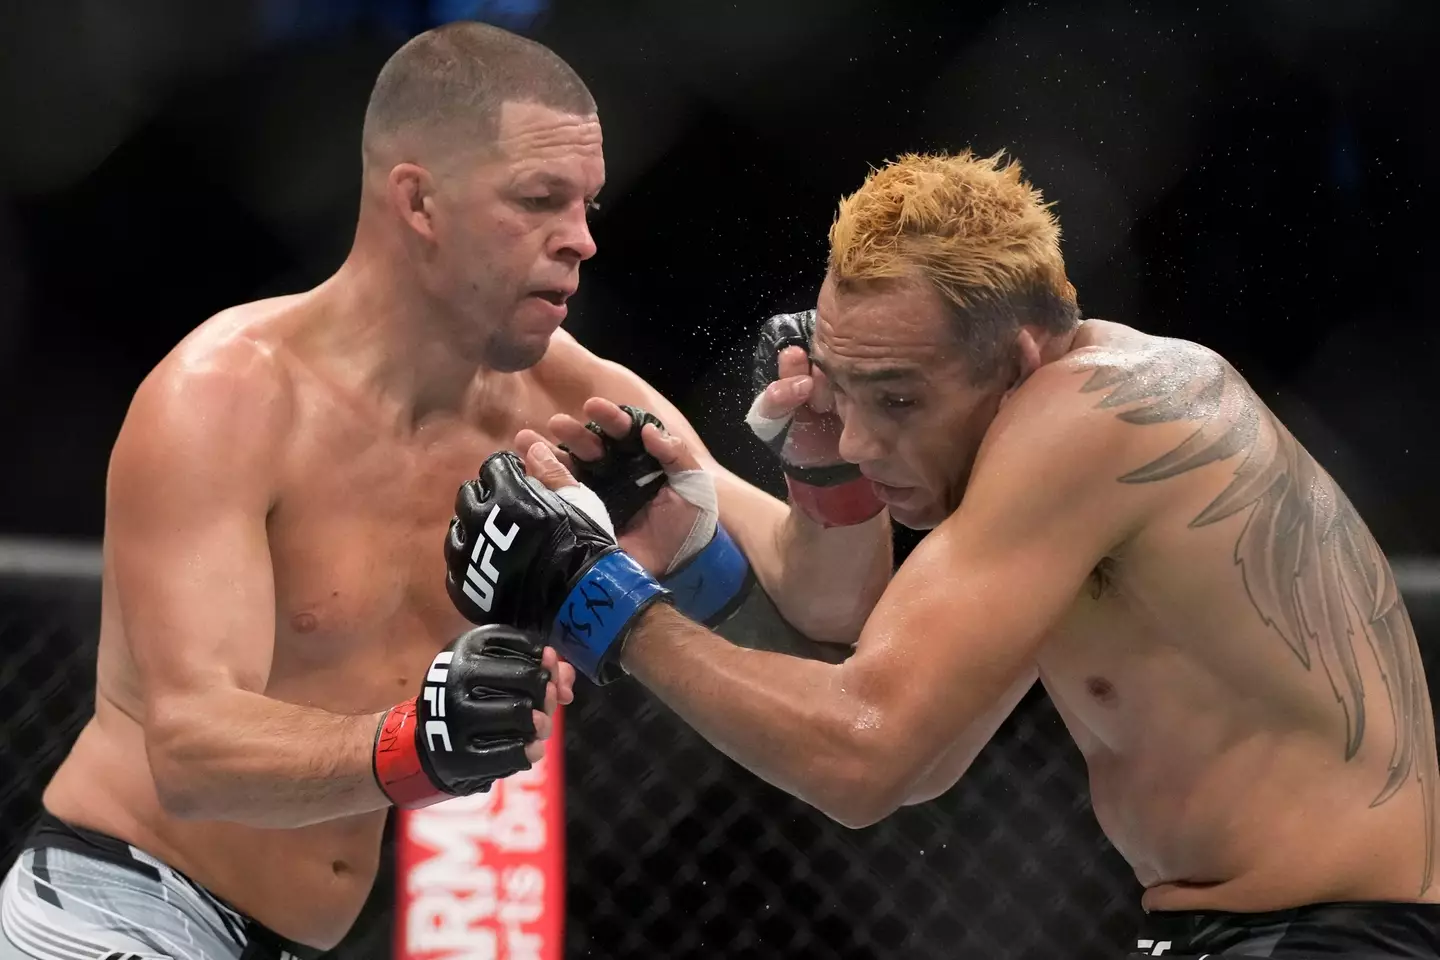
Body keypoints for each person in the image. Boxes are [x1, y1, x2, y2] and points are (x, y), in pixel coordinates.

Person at [0, 22, 892, 960]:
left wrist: (830, 466)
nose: (582, 240)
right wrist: (421, 742)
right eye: (539, 200)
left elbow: (828, 603)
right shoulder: (227, 398)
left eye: (588, 203)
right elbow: (190, 755)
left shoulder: (572, 396)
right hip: (121, 906)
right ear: (419, 201)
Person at [451, 150, 1440, 959]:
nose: (867, 440)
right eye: (844, 394)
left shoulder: (1099, 412)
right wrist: (715, 525)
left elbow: (864, 750)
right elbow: (916, 747)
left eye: (902, 398)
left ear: (1014, 361)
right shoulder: (1070, 465)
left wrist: (600, 597)